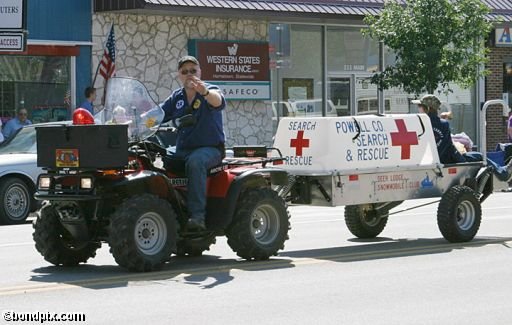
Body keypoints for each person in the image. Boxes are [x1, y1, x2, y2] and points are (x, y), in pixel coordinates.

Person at [160, 55, 226, 231]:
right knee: (153, 155)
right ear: (179, 75)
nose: (189, 74)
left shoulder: (210, 89)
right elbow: (157, 115)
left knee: (195, 162)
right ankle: (169, 208)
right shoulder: (177, 97)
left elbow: (217, 101)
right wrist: (133, 121)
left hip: (210, 150)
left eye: (193, 70)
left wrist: (204, 91)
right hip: (183, 149)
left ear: (200, 72)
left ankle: (197, 216)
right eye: (185, 71)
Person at [413, 94, 512, 182]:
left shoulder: (419, 123)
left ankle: (503, 172)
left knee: (476, 155)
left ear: (428, 108)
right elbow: (448, 148)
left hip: (428, 160)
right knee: (480, 156)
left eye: (420, 106)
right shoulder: (443, 124)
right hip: (446, 160)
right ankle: (503, 174)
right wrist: (462, 161)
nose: (418, 108)